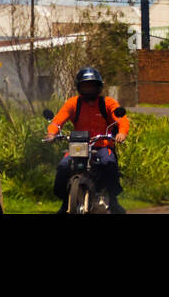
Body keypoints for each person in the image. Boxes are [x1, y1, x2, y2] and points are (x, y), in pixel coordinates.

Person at [44, 67, 130, 213]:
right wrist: (52, 133)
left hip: (102, 145)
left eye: (92, 85)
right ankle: (66, 203)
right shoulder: (73, 103)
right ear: (79, 87)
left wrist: (121, 133)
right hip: (78, 145)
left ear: (98, 87)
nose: (89, 89)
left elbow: (121, 120)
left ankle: (113, 201)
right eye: (85, 85)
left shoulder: (107, 103)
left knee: (108, 163)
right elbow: (57, 121)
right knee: (64, 166)